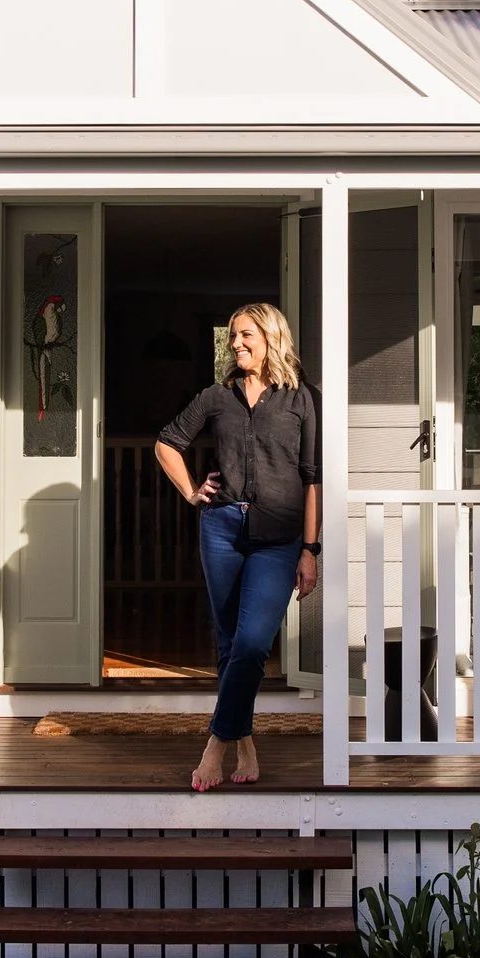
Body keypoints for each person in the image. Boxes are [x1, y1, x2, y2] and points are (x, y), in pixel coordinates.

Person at [153, 303, 321, 792]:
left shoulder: (301, 399)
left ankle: (215, 746)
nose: (237, 344)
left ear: (271, 337)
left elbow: (313, 480)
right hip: (221, 529)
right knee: (229, 646)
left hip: (278, 539)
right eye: (232, 337)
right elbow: (167, 442)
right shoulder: (216, 397)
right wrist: (191, 491)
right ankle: (245, 744)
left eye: (246, 335)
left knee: (251, 644)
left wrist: (311, 549)